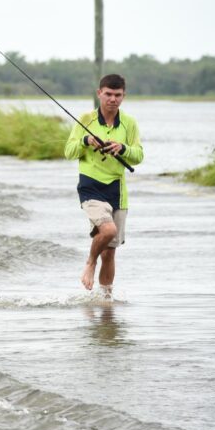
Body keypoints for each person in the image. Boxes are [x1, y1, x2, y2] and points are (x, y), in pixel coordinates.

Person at [64, 74, 144, 296]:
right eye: (108, 94)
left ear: (123, 96)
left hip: (117, 190)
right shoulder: (85, 119)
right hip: (90, 186)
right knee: (108, 230)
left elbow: (139, 156)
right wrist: (86, 141)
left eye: (117, 95)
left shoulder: (129, 123)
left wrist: (122, 148)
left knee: (109, 253)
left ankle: (106, 301)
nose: (113, 99)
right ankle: (90, 262)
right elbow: (68, 152)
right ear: (99, 93)